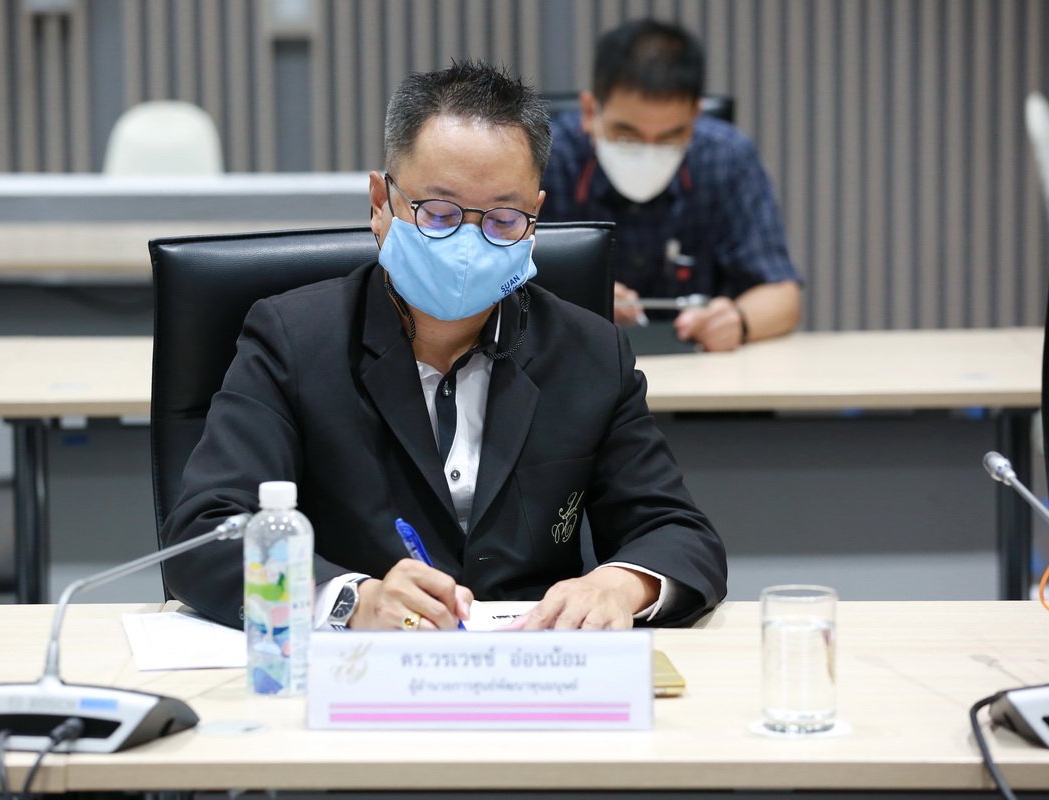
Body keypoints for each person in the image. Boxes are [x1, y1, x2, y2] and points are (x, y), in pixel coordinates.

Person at [160, 60, 726, 633]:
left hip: (530, 662)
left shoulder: (590, 352)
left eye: (503, 218)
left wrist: (619, 584)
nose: (467, 242)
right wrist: (350, 600)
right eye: (438, 213)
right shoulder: (294, 340)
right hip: (360, 665)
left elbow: (679, 533)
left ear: (535, 217)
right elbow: (204, 535)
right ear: (380, 202)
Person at [539, 18, 802, 351]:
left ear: (695, 117)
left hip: (700, 368)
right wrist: (576, 300)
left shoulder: (727, 157)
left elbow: (782, 296)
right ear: (590, 111)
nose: (648, 153)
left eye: (669, 136)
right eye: (627, 134)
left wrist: (737, 320)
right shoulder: (544, 158)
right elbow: (497, 284)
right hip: (577, 362)